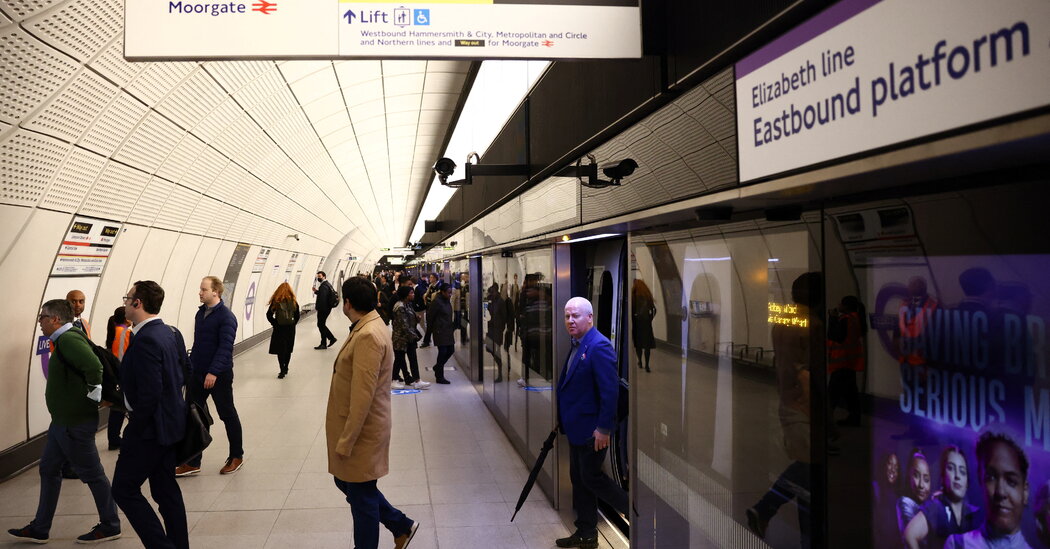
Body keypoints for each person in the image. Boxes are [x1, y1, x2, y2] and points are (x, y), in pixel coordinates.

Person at [7, 299, 122, 544]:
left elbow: (93, 366)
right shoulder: (64, 339)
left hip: (74, 422)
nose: (40, 321)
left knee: (92, 474)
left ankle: (111, 524)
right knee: (49, 469)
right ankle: (40, 527)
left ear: (55, 319)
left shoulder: (69, 339)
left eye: (42, 317)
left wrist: (94, 393)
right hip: (62, 422)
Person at [326, 277, 419, 549]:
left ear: (348, 303)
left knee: (361, 497)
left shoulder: (367, 335)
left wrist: (347, 440)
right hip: (363, 427)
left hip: (363, 430)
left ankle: (389, 532)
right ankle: (400, 525)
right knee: (347, 484)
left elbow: (362, 397)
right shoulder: (369, 325)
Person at [110, 281, 189, 549]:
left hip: (150, 431)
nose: (125, 302)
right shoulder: (168, 333)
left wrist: (133, 429)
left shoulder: (146, 340)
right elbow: (182, 374)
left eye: (127, 297)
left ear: (138, 303)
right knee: (166, 492)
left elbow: (150, 394)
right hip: (169, 425)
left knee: (123, 489)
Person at [747, 272, 821, 547]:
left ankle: (799, 532)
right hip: (805, 403)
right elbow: (815, 373)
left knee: (808, 474)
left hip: (785, 399)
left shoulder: (781, 322)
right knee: (808, 469)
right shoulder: (812, 325)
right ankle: (766, 508)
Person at [554, 297, 628, 549]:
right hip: (577, 427)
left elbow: (610, 393)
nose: (570, 321)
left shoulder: (599, 346)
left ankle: (635, 511)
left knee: (592, 477)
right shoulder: (578, 344)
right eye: (567, 316)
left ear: (590, 317)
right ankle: (586, 533)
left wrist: (604, 429)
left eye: (575, 316)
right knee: (580, 478)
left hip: (593, 431)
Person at [176, 276, 244, 476]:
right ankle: (192, 461)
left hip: (219, 375)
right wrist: (191, 369)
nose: (200, 292)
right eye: (200, 289)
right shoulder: (201, 314)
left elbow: (225, 348)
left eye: (204, 289)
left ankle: (236, 456)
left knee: (227, 414)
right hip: (197, 374)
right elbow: (199, 345)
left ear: (216, 292)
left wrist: (213, 372)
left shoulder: (226, 317)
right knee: (194, 416)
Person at [945, 433, 1033, 549]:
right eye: (990, 478)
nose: (1000, 492)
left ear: (1025, 492)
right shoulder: (958, 545)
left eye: (1011, 481)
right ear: (980, 480)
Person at [904, 445, 980, 549]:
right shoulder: (936, 507)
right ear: (943, 476)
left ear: (967, 482)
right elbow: (910, 535)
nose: (957, 475)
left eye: (962, 471)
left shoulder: (974, 514)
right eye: (951, 468)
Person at [827, 295, 866, 426]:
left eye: (840, 304)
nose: (838, 306)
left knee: (832, 393)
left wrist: (832, 319)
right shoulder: (857, 318)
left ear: (846, 306)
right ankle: (854, 418)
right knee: (851, 392)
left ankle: (827, 420)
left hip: (841, 361)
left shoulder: (845, 319)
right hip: (851, 361)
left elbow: (835, 336)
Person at [105, 305, 132, 451]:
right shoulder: (125, 333)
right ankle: (115, 439)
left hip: (114, 374)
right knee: (121, 408)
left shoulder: (114, 331)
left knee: (117, 408)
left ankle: (113, 438)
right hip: (123, 374)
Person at [391, 285, 428, 390]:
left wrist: (417, 319)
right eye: (411, 293)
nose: (413, 294)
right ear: (406, 295)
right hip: (401, 338)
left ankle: (417, 380)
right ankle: (394, 380)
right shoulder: (400, 307)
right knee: (399, 359)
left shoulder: (408, 305)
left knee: (412, 359)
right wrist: (416, 336)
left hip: (408, 337)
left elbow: (409, 320)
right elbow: (404, 325)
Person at [265, 282, 300, 379]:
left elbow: (268, 315)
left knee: (281, 350)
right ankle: (286, 367)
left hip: (279, 329)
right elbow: (297, 315)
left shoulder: (276, 301)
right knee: (288, 349)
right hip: (290, 328)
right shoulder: (293, 301)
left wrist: (275, 323)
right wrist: (293, 324)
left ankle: (281, 370)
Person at [898, 450, 933, 534]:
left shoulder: (929, 505)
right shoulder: (905, 502)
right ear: (908, 476)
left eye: (926, 479)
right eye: (916, 476)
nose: (921, 485)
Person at [427, 281, 455, 384]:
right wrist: (430, 332)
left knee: (451, 350)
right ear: (442, 292)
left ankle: (437, 367)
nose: (450, 294)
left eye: (451, 292)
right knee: (442, 352)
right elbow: (430, 317)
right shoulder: (437, 302)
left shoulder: (446, 300)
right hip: (440, 330)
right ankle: (439, 376)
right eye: (448, 292)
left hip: (448, 330)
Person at [631, 279, 656, 372]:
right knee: (647, 345)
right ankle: (647, 365)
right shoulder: (647, 295)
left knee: (638, 344)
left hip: (637, 324)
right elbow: (654, 310)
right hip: (647, 324)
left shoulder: (633, 295)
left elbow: (632, 310)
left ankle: (640, 361)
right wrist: (650, 319)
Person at [485, 283, 506, 382]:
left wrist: (501, 328)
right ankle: (499, 365)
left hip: (497, 329)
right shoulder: (489, 300)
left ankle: (500, 373)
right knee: (489, 348)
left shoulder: (500, 302)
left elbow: (504, 316)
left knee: (497, 351)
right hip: (490, 329)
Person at [315, 271, 338, 350]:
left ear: (324, 276)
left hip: (323, 309)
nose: (318, 277)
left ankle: (326, 341)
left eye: (320, 276)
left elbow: (323, 298)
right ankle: (328, 340)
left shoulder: (324, 286)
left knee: (321, 325)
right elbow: (324, 294)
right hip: (326, 308)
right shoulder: (327, 284)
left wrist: (319, 308)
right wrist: (316, 292)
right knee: (321, 325)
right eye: (318, 276)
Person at [419, 273, 439, 347]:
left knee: (431, 325)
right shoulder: (430, 286)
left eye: (431, 277)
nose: (430, 279)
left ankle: (427, 341)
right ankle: (427, 341)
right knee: (429, 325)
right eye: (430, 277)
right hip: (429, 308)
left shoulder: (438, 286)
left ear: (435, 278)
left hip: (435, 309)